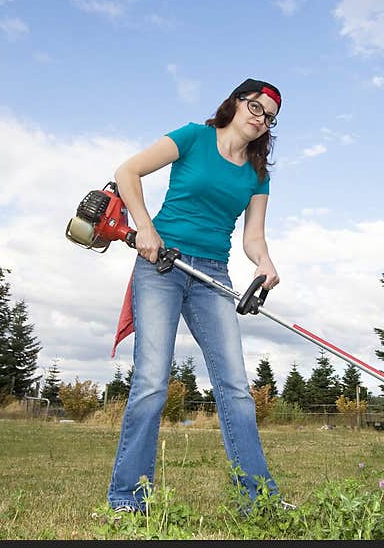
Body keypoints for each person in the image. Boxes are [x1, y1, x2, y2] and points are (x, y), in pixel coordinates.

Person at [107, 78, 288, 514]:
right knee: (152, 382)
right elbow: (126, 172)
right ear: (236, 102)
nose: (259, 119)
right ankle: (128, 500)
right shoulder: (193, 136)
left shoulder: (257, 175)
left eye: (269, 117)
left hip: (212, 275)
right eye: (254, 106)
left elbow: (253, 237)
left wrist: (265, 264)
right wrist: (146, 229)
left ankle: (258, 500)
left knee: (237, 388)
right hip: (162, 263)